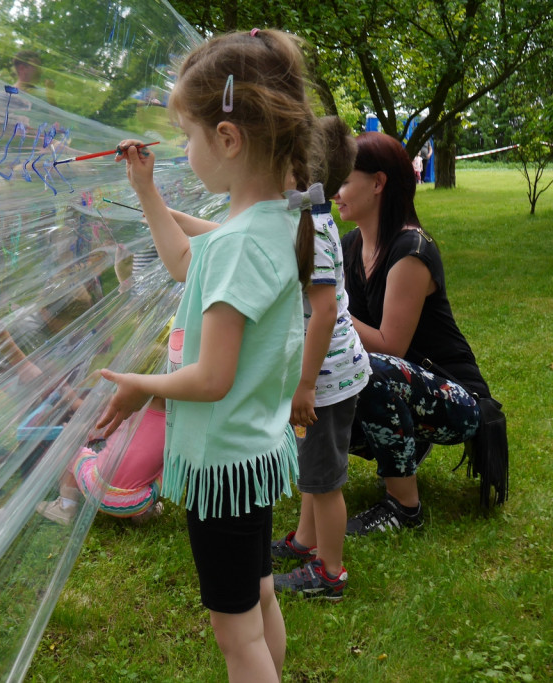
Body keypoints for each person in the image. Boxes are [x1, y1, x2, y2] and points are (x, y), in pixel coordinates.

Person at [96, 29, 319, 683]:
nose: (185, 151)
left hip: (223, 463)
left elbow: (212, 377)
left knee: (236, 632)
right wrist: (147, 192)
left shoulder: (237, 243)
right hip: (252, 452)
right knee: (260, 596)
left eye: (187, 137)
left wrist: (142, 384)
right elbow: (189, 259)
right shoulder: (275, 221)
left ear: (227, 139)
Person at [338, 131, 508, 536]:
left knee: (370, 370)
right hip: (405, 386)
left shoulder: (411, 250)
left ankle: (404, 507)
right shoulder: (350, 245)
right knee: (318, 380)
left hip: (456, 398)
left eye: (343, 179)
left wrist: (330, 311)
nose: (334, 191)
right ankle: (405, 448)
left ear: (377, 183)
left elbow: (390, 347)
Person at [270, 116, 370, 601]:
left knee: (326, 481)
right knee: (313, 468)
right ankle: (305, 541)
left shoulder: (312, 228)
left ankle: (330, 572)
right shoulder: (307, 214)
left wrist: (306, 384)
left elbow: (325, 311)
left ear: (301, 171)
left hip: (326, 379)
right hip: (325, 373)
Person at [36, 396, 166, 525]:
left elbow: (94, 432)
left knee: (71, 448)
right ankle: (145, 513)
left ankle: (66, 505)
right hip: (139, 502)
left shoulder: (124, 405)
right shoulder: (172, 424)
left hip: (96, 492)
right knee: (166, 465)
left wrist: (72, 427)